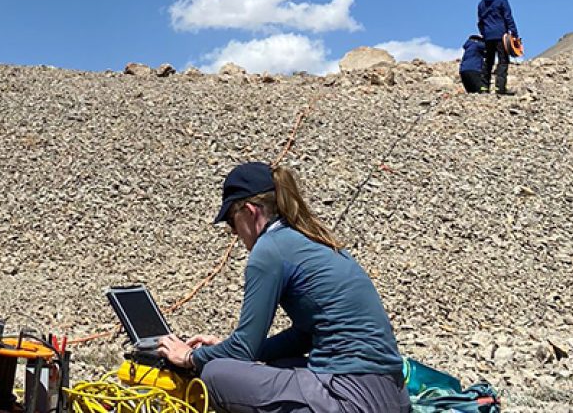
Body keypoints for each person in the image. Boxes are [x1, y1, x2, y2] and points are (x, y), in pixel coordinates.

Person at [157, 162, 409, 413]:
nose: (233, 233)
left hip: (351, 396)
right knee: (276, 362)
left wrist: (189, 357)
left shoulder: (270, 249)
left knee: (215, 374)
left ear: (250, 211)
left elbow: (243, 348)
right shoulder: (311, 240)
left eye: (231, 222)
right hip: (392, 396)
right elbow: (303, 336)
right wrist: (223, 349)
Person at [478, 0, 519, 95]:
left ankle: (484, 88)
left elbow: (480, 21)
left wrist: (484, 33)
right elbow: (508, 18)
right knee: (503, 61)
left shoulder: (481, 4)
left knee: (488, 61)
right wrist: (515, 34)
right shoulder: (502, 1)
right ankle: (499, 89)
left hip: (487, 36)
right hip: (501, 36)